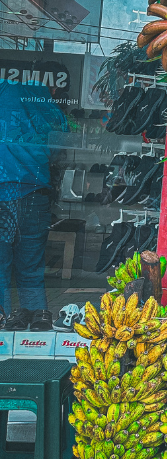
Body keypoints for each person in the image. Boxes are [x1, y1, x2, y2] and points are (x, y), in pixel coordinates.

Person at [0, 60, 69, 319]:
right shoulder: (43, 103)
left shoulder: (3, 92)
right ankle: (36, 322)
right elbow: (60, 147)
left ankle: (3, 323)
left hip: (3, 188)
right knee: (30, 268)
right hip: (34, 191)